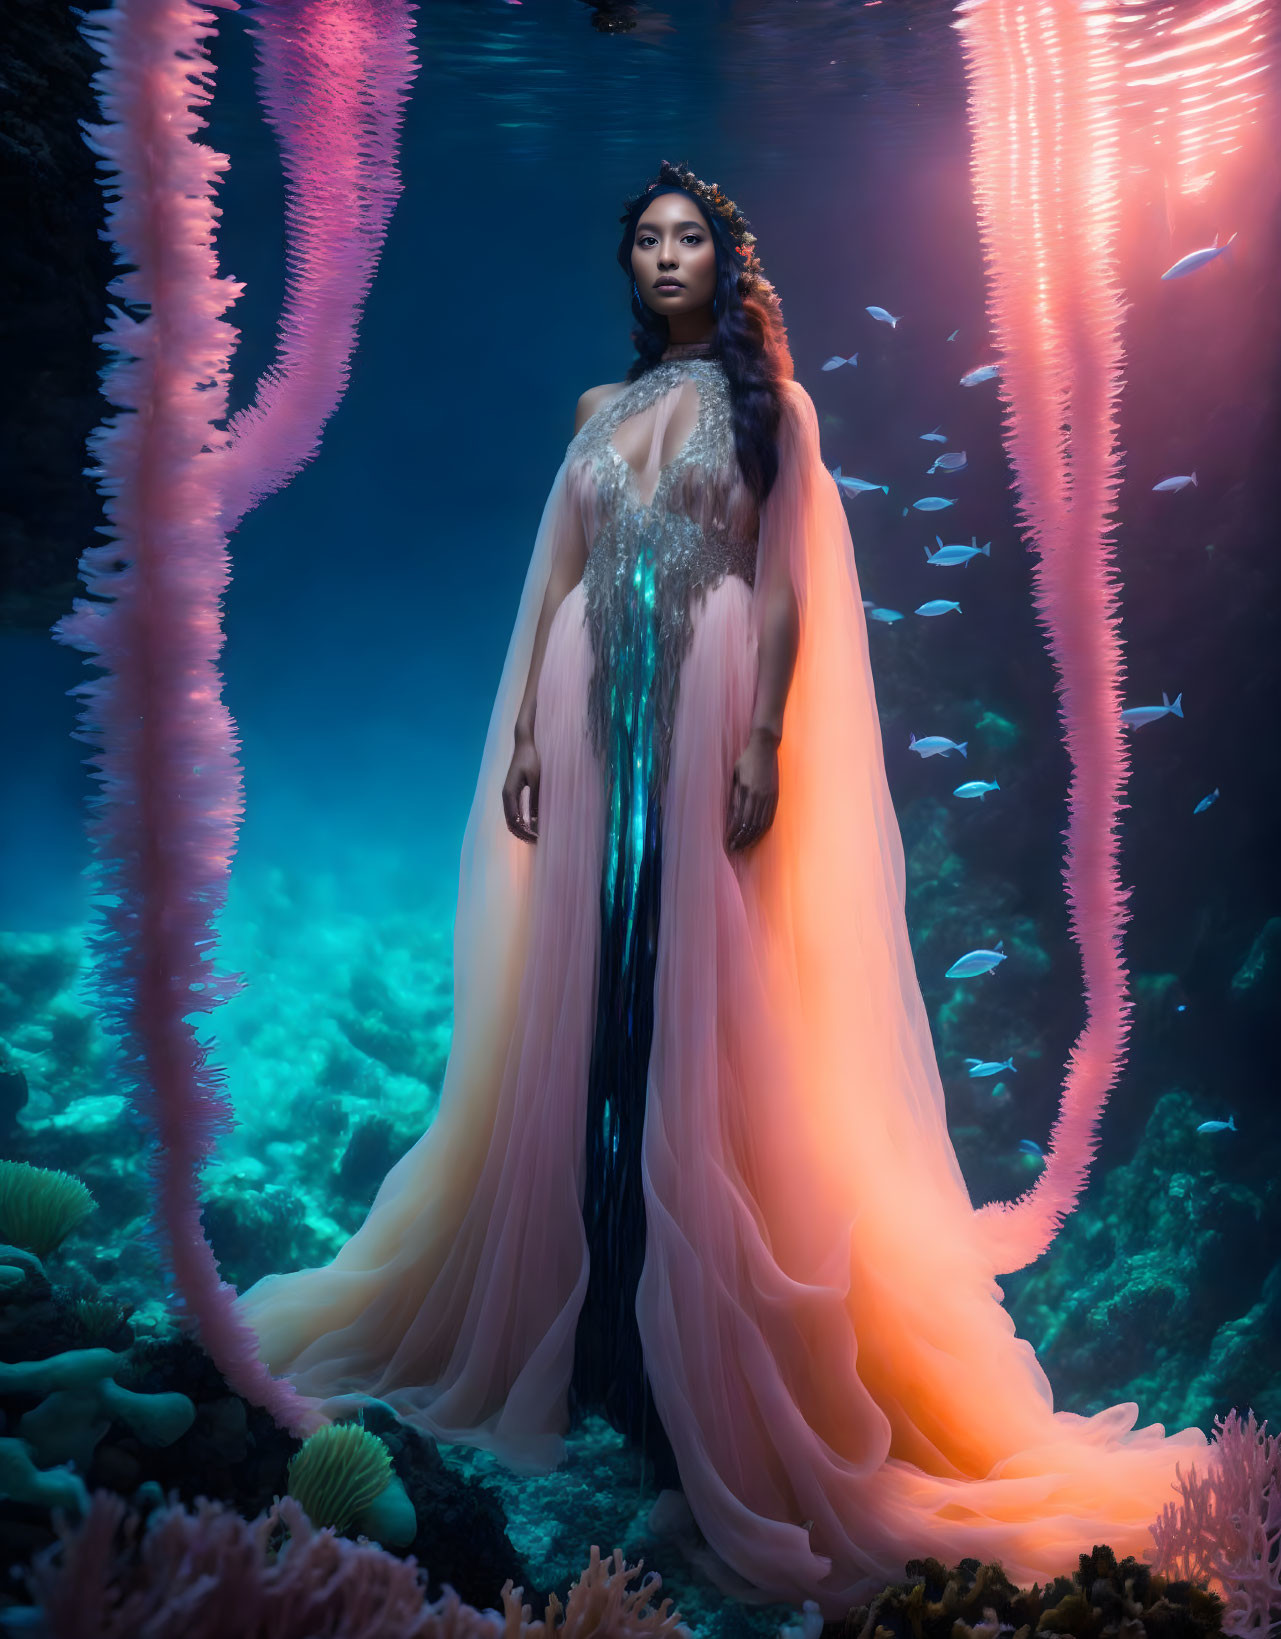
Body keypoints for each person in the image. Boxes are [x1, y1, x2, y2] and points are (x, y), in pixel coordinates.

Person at [235, 160, 1211, 1617]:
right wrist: (517, 740)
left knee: (693, 999)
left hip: (703, 713)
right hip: (580, 703)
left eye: (689, 238)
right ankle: (585, 1318)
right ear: (626, 265)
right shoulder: (593, 415)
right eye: (647, 241)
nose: (668, 258)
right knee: (584, 1005)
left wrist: (758, 734)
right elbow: (557, 577)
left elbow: (788, 586)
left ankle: (689, 1339)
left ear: (725, 257)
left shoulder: (775, 410)